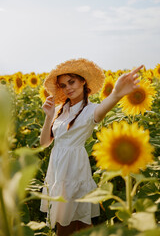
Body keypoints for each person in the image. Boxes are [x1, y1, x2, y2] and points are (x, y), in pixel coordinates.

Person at [40, 58, 143, 236]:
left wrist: (117, 93)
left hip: (74, 170)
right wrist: (48, 116)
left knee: (72, 224)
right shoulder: (59, 110)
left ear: (83, 81)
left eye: (71, 82)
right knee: (72, 224)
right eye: (63, 85)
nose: (68, 88)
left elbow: (103, 109)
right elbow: (44, 143)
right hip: (57, 169)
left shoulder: (90, 110)